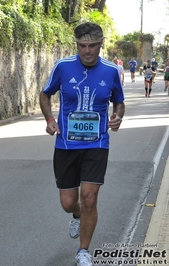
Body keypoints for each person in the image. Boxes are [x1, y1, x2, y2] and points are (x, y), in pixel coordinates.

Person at [39, 22, 125, 266]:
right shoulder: (63, 66)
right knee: (69, 203)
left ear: (101, 44)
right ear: (76, 44)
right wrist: (49, 119)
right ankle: (76, 214)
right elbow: (45, 94)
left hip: (97, 144)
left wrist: (118, 117)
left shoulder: (111, 71)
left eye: (92, 46)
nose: (87, 51)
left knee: (89, 198)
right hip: (66, 145)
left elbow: (119, 101)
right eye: (82, 45)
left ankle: (83, 251)